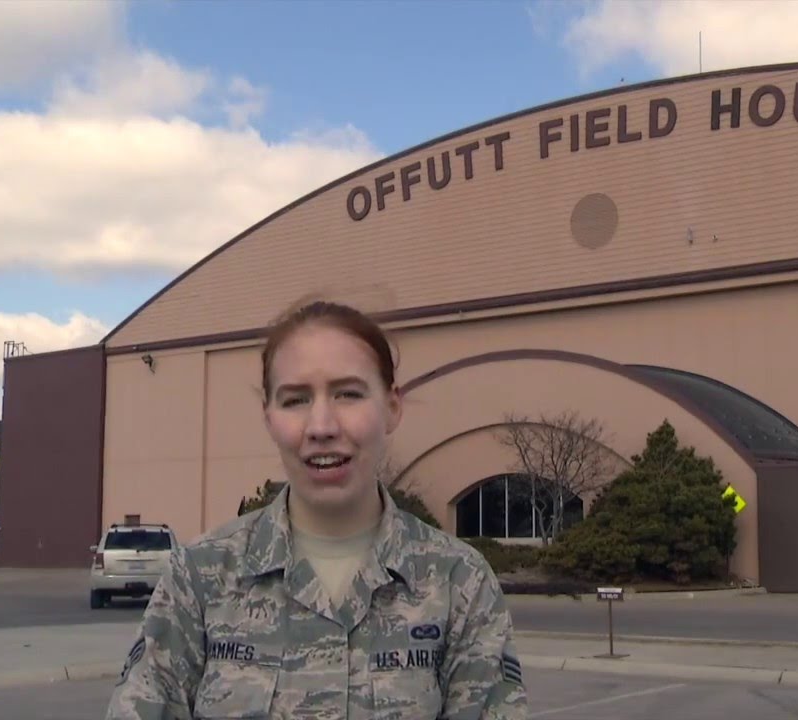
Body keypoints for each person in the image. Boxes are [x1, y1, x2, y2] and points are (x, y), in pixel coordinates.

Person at [105, 298, 528, 719]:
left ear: (392, 407)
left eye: (348, 394)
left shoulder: (459, 582)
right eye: (295, 400)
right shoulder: (199, 578)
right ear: (269, 417)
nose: (322, 427)